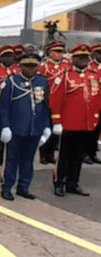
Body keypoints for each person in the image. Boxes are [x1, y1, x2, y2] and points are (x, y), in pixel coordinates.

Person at [0, 53, 51, 200]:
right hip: (16, 128)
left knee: (28, 159)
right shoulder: (11, 81)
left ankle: (24, 187)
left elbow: (45, 106)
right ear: (20, 66)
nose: (30, 70)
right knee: (12, 159)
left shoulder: (42, 81)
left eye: (33, 66)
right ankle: (7, 187)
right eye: (27, 66)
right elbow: (3, 107)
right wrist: (5, 126)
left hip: (35, 127)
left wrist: (46, 126)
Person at [50, 43, 99, 197]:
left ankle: (73, 183)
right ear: (73, 59)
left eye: (86, 58)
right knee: (65, 155)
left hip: (87, 123)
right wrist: (57, 121)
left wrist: (96, 118)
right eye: (80, 58)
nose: (84, 61)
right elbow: (56, 99)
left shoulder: (94, 76)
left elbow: (97, 98)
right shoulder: (65, 76)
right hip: (69, 123)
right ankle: (59, 183)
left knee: (78, 156)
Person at [38, 41, 68, 164]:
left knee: (57, 132)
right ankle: (44, 154)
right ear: (50, 53)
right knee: (46, 129)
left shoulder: (67, 66)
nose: (59, 54)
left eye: (61, 52)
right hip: (47, 101)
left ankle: (51, 154)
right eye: (56, 52)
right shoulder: (44, 68)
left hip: (62, 103)